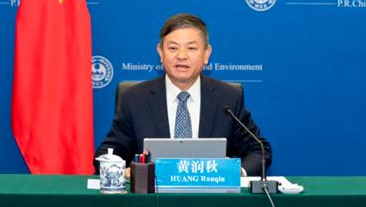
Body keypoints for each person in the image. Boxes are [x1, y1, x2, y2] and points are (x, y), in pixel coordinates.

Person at [94, 13, 272, 176]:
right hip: (153, 196)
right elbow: (109, 152)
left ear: (206, 54)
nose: (181, 56)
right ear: (160, 53)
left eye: (191, 48)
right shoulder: (135, 99)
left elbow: (259, 150)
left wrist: (237, 173)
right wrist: (120, 170)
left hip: (210, 195)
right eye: (173, 48)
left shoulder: (228, 98)